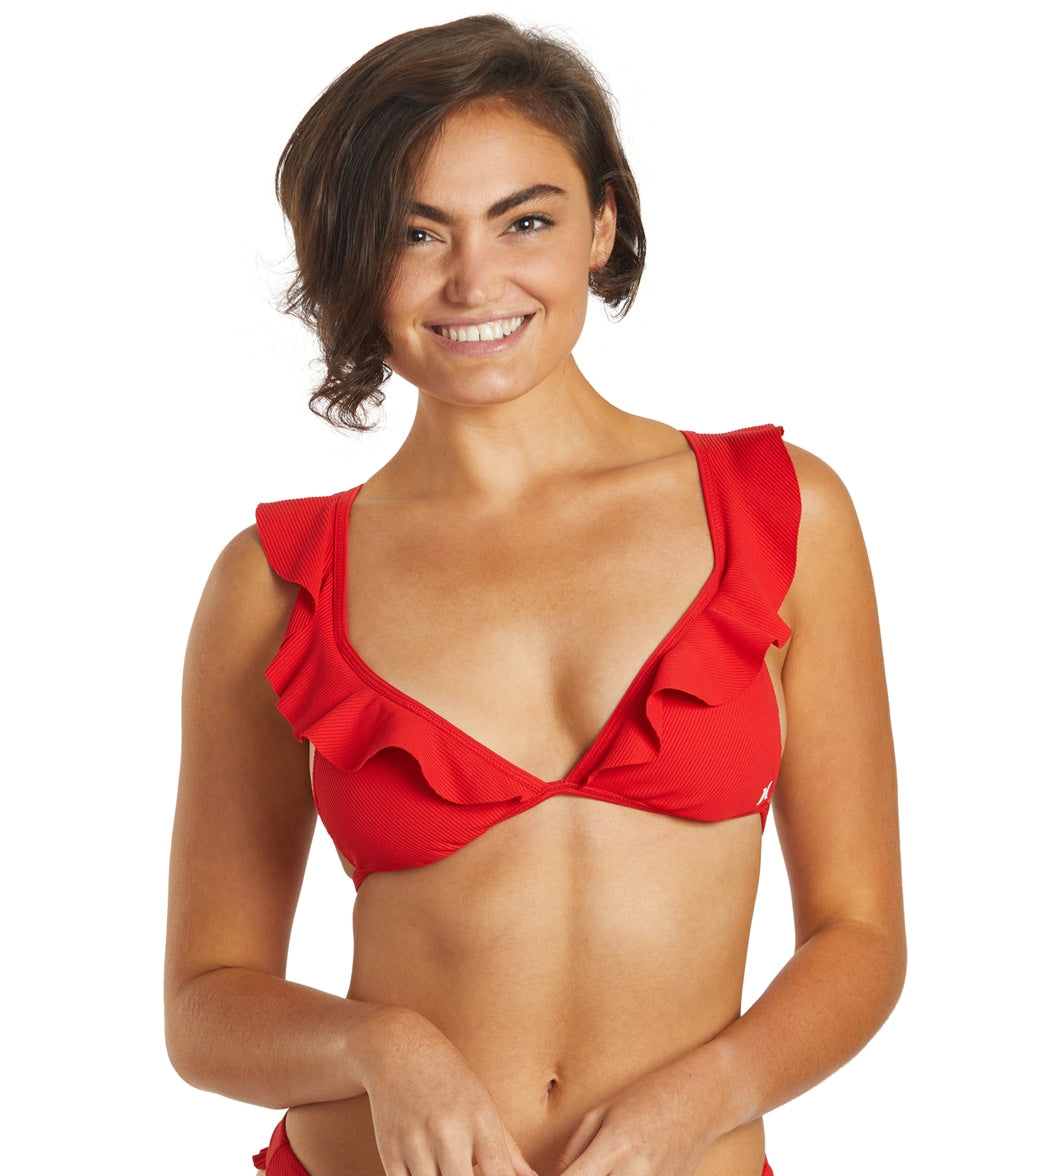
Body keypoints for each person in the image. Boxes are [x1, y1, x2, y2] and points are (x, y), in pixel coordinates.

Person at [164, 15, 905, 1176]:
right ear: (354, 257)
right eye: (416, 232)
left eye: (525, 221)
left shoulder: (781, 514)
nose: (474, 280)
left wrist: (706, 1095)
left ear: (601, 224)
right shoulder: (275, 583)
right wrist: (381, 1048)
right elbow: (206, 1006)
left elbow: (860, 937)